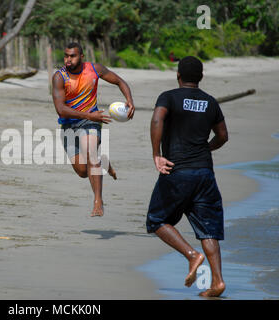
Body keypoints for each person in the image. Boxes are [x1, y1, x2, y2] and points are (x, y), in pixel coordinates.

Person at [146, 56, 228, 297]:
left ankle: (192, 255)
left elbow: (157, 119)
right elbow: (222, 136)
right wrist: (205, 149)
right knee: (208, 229)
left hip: (178, 171)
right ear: (200, 77)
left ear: (178, 76)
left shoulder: (168, 97)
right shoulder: (211, 102)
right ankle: (218, 282)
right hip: (205, 173)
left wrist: (156, 154)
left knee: (156, 220)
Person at [52, 42, 135, 217]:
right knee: (83, 172)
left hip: (91, 121)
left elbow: (119, 81)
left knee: (90, 153)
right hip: (69, 125)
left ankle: (98, 201)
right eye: (66, 56)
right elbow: (60, 109)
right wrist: (89, 116)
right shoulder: (59, 77)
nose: (68, 59)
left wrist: (129, 100)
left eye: (72, 56)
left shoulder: (94, 69)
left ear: (81, 56)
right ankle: (103, 161)